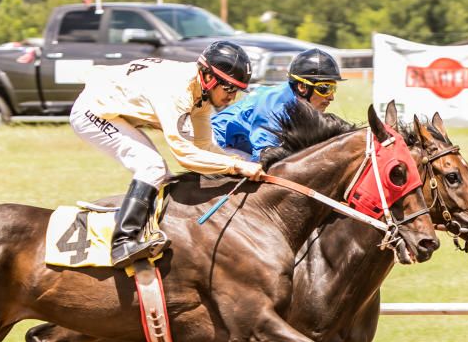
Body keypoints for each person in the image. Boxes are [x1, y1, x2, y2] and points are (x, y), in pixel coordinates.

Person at [69, 40, 264, 268]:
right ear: (209, 78)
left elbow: (203, 147)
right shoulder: (178, 91)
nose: (232, 97)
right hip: (92, 112)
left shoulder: (200, 97)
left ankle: (152, 233)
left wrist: (238, 162)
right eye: (229, 88)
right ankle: (122, 242)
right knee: (152, 167)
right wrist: (238, 167)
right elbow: (184, 154)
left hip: (112, 109)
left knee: (165, 177)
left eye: (238, 90)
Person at [212, 48, 342, 161]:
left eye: (333, 88)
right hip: (217, 144)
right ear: (302, 86)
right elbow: (264, 157)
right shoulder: (274, 107)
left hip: (242, 146)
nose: (331, 97)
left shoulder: (297, 101)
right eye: (324, 88)